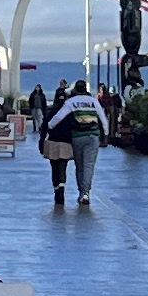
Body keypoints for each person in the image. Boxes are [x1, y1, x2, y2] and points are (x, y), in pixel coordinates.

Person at [46, 79, 110, 208]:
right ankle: (85, 193)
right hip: (93, 136)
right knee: (89, 165)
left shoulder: (71, 102)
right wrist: (106, 134)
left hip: (77, 136)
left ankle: (81, 190)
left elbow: (57, 118)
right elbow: (103, 119)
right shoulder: (93, 101)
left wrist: (48, 127)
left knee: (79, 166)